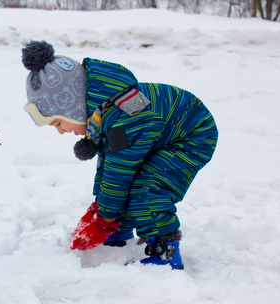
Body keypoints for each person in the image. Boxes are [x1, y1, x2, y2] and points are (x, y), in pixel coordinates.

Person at [21, 41, 218, 270]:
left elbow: (120, 172)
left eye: (58, 122)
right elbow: (109, 169)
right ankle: (120, 231)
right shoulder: (104, 116)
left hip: (191, 136)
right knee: (123, 183)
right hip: (162, 137)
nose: (61, 131)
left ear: (73, 107)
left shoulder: (125, 118)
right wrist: (102, 209)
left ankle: (165, 253)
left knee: (147, 188)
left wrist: (106, 219)